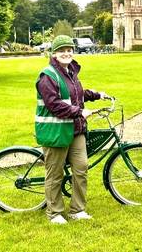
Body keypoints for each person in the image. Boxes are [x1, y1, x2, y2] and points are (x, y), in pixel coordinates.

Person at [34, 35, 111, 224]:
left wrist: (97, 95)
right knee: (55, 173)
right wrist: (80, 112)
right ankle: (55, 213)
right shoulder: (47, 76)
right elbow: (54, 104)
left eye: (69, 50)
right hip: (56, 132)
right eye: (62, 50)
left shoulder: (70, 72)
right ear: (54, 53)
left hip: (75, 130)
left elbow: (76, 93)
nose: (66, 53)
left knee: (81, 169)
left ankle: (77, 210)